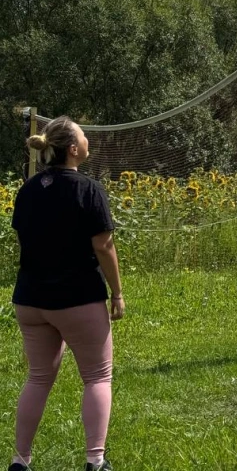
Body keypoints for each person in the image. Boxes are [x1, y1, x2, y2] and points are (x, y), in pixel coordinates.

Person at [7, 117, 124, 471]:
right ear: (73, 148)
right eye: (84, 135)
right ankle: (95, 461)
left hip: (29, 299)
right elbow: (103, 246)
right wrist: (117, 293)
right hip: (77, 298)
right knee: (97, 376)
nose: (88, 139)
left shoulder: (27, 189)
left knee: (39, 377)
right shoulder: (88, 189)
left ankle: (20, 460)